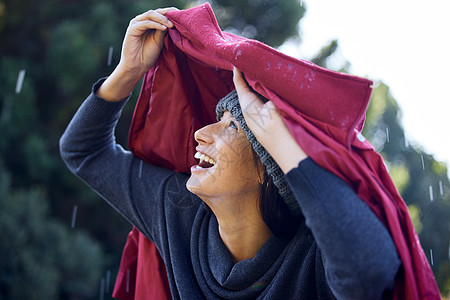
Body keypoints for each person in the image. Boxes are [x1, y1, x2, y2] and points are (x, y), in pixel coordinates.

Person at [60, 7, 401, 299]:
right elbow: (83, 151)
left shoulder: (316, 260)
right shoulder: (176, 213)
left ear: (270, 169)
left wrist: (281, 142)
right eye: (217, 120)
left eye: (232, 127)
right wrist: (128, 70)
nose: (200, 133)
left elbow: (372, 272)